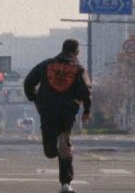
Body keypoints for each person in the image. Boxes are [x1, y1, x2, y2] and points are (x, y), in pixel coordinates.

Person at [23, 38, 92, 193]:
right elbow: (86, 91)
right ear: (76, 52)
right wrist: (87, 109)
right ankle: (65, 183)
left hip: (47, 110)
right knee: (64, 143)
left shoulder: (45, 65)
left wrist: (34, 98)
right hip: (67, 111)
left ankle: (64, 178)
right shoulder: (79, 69)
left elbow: (28, 82)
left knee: (51, 148)